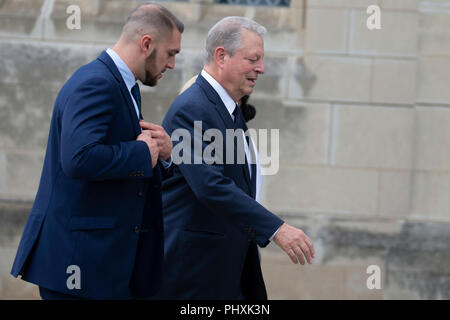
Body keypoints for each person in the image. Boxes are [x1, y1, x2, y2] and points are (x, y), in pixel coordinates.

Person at [10, 3, 183, 300]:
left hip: (103, 266)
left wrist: (164, 154)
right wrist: (142, 154)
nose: (172, 65)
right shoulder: (95, 82)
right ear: (146, 44)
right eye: (171, 53)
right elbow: (79, 158)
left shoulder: (123, 84)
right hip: (80, 266)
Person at [155, 16, 314, 300]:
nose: (261, 69)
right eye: (253, 59)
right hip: (194, 273)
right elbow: (210, 184)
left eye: (261, 60)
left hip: (225, 264)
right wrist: (276, 228)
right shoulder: (191, 108)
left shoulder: (228, 107)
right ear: (221, 56)